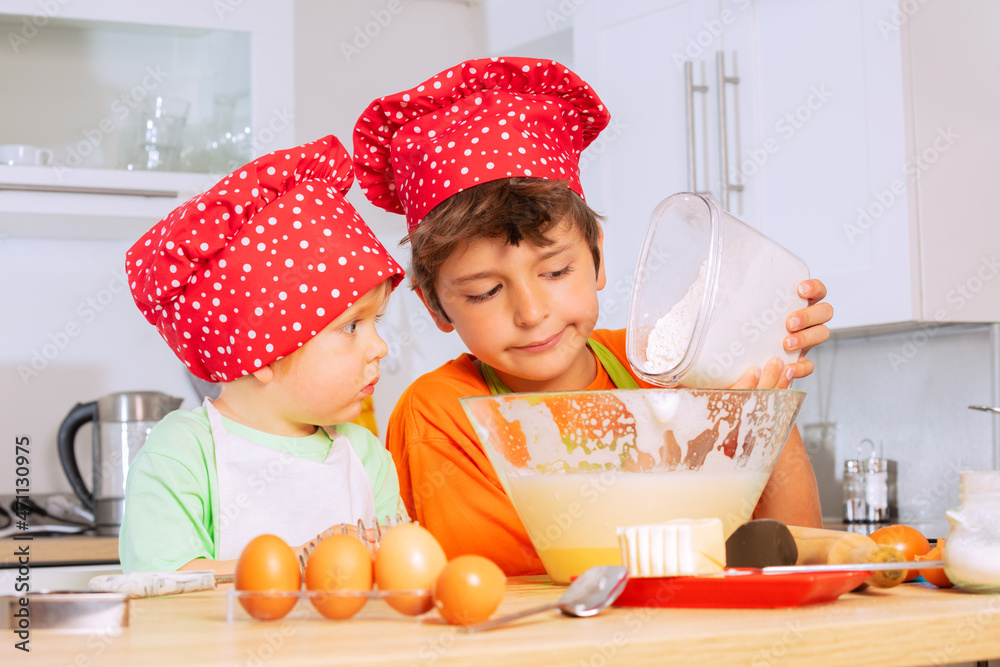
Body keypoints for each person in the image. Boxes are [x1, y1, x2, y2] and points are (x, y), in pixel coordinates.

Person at [354, 58, 833, 575]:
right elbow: (519, 590)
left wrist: (767, 409)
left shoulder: (666, 368)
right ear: (436, 306)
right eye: (487, 291)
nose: (532, 313)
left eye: (557, 272)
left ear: (598, 258)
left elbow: (789, 555)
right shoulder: (443, 416)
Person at [120, 135, 407, 574]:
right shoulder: (183, 451)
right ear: (263, 355)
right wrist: (299, 562)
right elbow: (161, 581)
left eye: (376, 322)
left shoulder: (365, 455)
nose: (380, 347)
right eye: (351, 326)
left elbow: (404, 572)